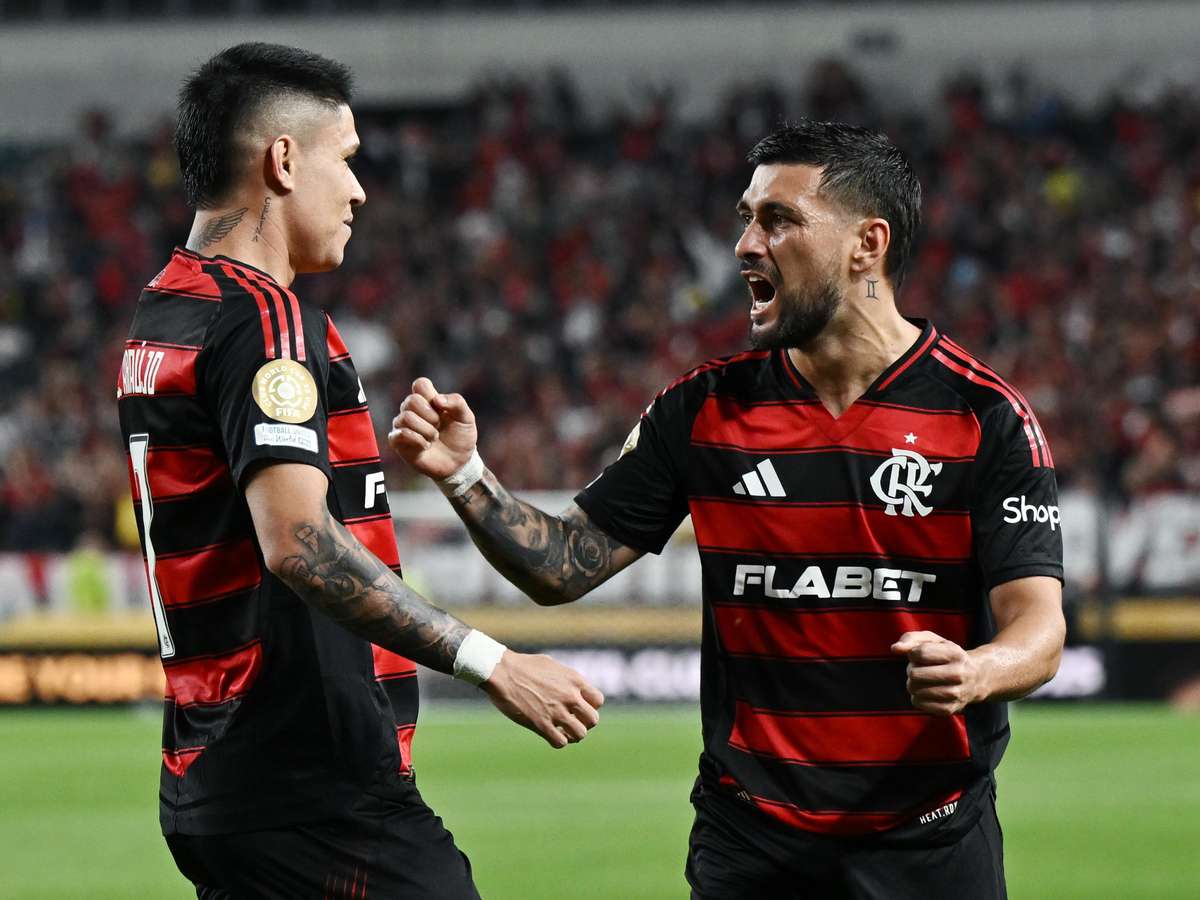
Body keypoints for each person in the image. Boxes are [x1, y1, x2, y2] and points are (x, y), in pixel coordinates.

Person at [390, 120, 1065, 899]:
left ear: (867, 245)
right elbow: (563, 565)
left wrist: (979, 670)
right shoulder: (703, 409)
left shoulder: (985, 418)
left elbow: (1039, 630)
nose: (746, 245)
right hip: (751, 848)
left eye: (778, 220)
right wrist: (466, 475)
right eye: (746, 218)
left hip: (930, 843)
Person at [116, 42, 603, 900]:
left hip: (216, 767)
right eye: (345, 160)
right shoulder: (262, 317)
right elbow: (298, 542)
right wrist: (491, 661)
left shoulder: (166, 312)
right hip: (310, 782)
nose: (359, 190)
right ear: (282, 161)